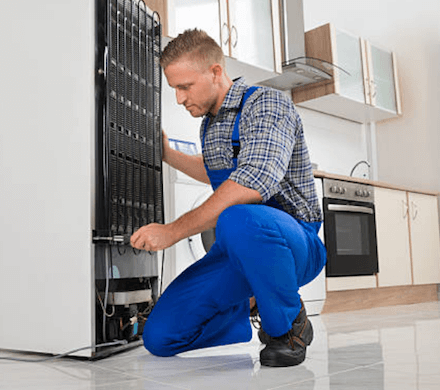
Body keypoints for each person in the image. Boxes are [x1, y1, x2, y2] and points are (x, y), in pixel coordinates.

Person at [129, 29, 326, 367]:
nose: (179, 98)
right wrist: (167, 154)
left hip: (293, 243)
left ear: (215, 73)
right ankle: (252, 303)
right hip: (237, 247)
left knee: (236, 217)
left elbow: (251, 184)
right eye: (175, 88)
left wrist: (173, 231)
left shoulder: (266, 103)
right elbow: (215, 173)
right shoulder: (210, 123)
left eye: (184, 87)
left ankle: (288, 327)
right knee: (161, 337)